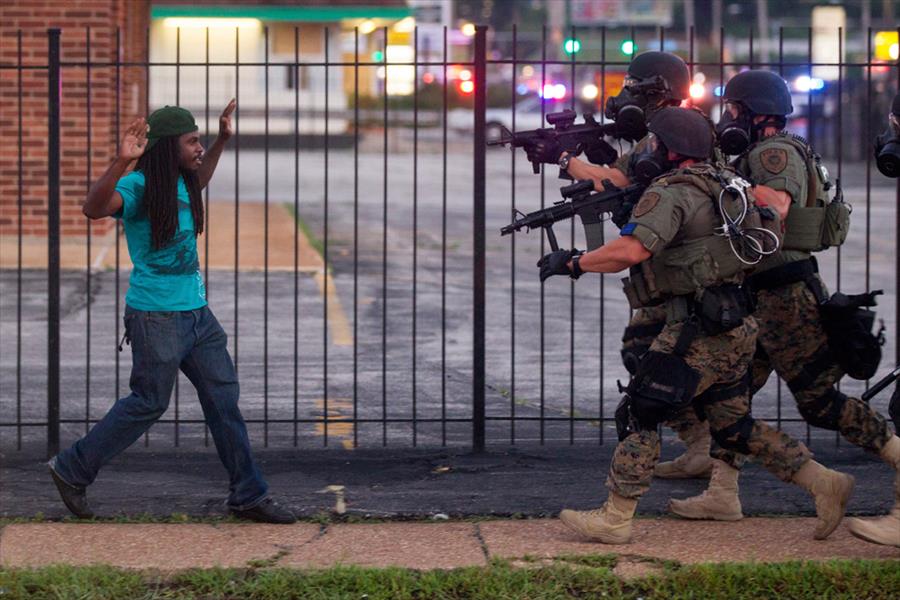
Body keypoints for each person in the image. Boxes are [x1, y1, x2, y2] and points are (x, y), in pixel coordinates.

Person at [540, 107, 854, 544]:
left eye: (656, 144)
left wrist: (573, 262)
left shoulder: (672, 192)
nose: (650, 150)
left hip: (695, 328)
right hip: (738, 325)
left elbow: (630, 252)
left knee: (643, 408)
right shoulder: (731, 184)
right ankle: (823, 481)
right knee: (734, 427)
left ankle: (615, 517)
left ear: (669, 150)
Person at [660, 71, 899, 548]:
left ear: (754, 112)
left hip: (786, 296)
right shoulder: (760, 151)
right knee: (732, 395)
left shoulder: (776, 153)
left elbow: (777, 204)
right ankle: (723, 493)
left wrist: (720, 185)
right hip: (761, 293)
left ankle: (896, 454)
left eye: (732, 110)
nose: (728, 118)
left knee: (819, 402)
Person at [47, 102, 296, 524]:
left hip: (198, 315)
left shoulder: (181, 181)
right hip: (156, 316)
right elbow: (93, 208)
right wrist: (122, 160)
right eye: (192, 141)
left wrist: (222, 141)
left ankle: (248, 495)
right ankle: (72, 468)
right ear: (167, 148)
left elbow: (201, 177)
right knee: (148, 402)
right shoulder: (139, 185)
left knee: (223, 401)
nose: (198, 148)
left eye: (199, 140)